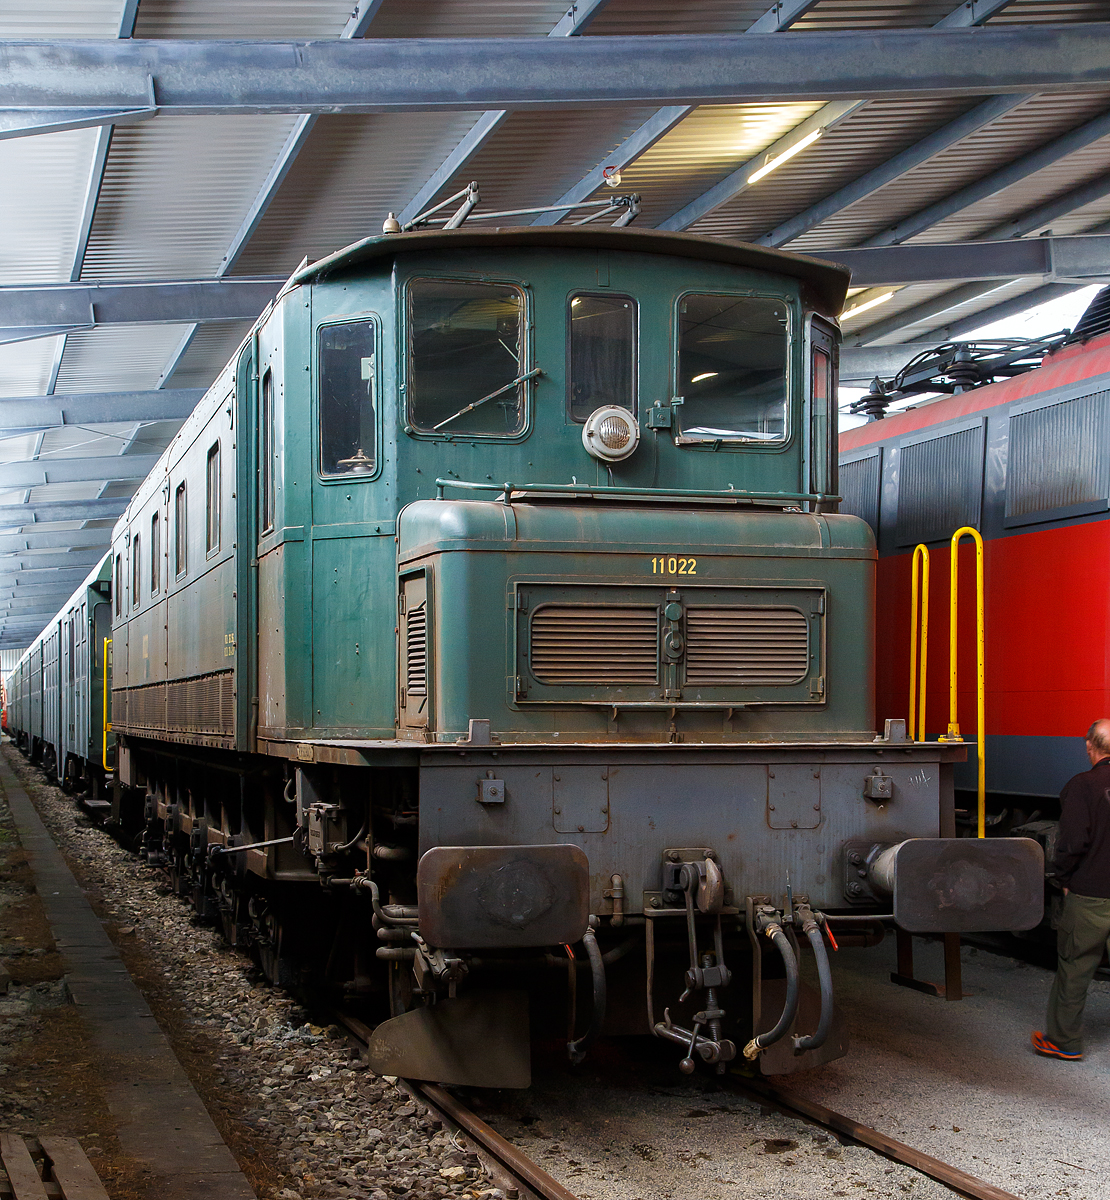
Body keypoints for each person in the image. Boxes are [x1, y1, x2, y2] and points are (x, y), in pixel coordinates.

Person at [1032, 718, 1110, 1061]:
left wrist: (1061, 878)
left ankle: (1064, 1042)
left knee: (1075, 968)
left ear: (1090, 748)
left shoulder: (1083, 785)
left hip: (1090, 896)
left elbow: (1073, 843)